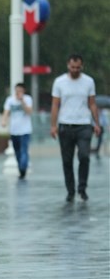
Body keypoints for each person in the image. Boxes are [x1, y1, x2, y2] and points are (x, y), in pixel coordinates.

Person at [50, 54, 101, 202]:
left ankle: (82, 188)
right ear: (68, 66)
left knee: (84, 156)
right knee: (67, 160)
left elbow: (92, 103)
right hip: (65, 125)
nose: (75, 70)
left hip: (84, 125)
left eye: (78, 67)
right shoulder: (59, 82)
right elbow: (55, 105)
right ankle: (70, 190)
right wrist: (53, 125)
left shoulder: (88, 81)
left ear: (82, 67)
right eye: (73, 67)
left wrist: (97, 123)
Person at [1, 83, 33, 179]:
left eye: (20, 90)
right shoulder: (10, 100)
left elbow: (29, 111)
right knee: (17, 151)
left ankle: (23, 168)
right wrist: (4, 120)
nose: (18, 92)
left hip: (25, 130)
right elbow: (6, 112)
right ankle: (21, 169)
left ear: (24, 91)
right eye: (17, 90)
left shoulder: (28, 99)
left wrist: (22, 101)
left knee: (24, 150)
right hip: (14, 130)